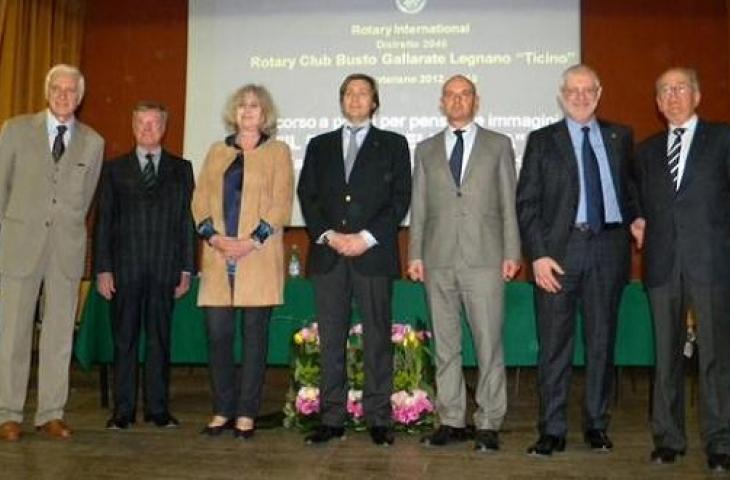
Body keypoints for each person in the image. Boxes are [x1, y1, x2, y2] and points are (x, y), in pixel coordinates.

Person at [516, 64, 641, 456]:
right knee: (554, 345)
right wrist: (537, 255)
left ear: (599, 93)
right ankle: (551, 429)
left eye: (589, 90)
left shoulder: (620, 136)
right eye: (573, 90)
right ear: (561, 95)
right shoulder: (542, 140)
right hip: (559, 254)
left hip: (609, 249)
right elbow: (527, 204)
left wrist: (638, 217)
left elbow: (631, 188)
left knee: (602, 343)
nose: (581, 96)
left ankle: (596, 425)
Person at [297, 73, 411, 446]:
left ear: (374, 102)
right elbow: (308, 195)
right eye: (350, 93)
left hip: (373, 255)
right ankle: (332, 418)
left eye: (364, 93)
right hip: (329, 256)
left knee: (377, 337)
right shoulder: (319, 145)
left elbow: (400, 198)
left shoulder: (394, 144)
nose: (356, 98)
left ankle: (379, 418)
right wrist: (330, 236)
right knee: (331, 339)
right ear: (341, 100)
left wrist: (364, 238)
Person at [408, 75, 520, 452]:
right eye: (451, 95)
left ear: (476, 100)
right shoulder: (424, 150)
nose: (458, 101)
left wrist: (512, 252)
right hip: (438, 259)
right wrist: (415, 255)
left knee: (489, 344)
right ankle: (451, 418)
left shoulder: (498, 145)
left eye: (465, 94)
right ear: (442, 102)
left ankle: (489, 422)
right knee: (445, 344)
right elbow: (419, 208)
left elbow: (509, 204)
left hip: (487, 259)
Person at [0, 64, 104, 441]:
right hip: (18, 248)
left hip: (66, 251)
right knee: (12, 333)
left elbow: (86, 198)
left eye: (71, 90)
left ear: (80, 96)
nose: (64, 95)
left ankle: (50, 413)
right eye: (57, 89)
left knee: (59, 336)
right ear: (47, 93)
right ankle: (8, 413)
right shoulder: (14, 131)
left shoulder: (93, 142)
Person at [634, 67, 730, 472]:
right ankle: (668, 439)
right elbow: (636, 199)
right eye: (665, 91)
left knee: (715, 357)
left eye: (680, 88)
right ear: (657, 103)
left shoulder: (723, 139)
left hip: (712, 263)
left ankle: (720, 443)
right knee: (666, 358)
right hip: (661, 264)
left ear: (697, 94)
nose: (672, 97)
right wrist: (638, 219)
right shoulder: (646, 151)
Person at [192, 84, 293, 439]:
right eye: (242, 106)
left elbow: (281, 204)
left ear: (265, 114)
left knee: (254, 339)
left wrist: (250, 242)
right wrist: (216, 238)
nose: (248, 112)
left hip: (259, 258)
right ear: (233, 113)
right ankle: (222, 410)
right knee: (218, 336)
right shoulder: (216, 151)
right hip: (218, 257)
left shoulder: (278, 152)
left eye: (255, 106)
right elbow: (199, 200)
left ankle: (247, 413)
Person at [94, 102, 195, 430]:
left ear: (164, 128)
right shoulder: (114, 169)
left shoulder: (182, 169)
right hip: (124, 270)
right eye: (141, 123)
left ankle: (158, 410)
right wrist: (103, 268)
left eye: (154, 123)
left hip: (166, 270)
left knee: (159, 341)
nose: (148, 129)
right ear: (133, 126)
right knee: (124, 341)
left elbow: (186, 222)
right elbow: (104, 222)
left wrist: (186, 268)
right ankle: (122, 412)